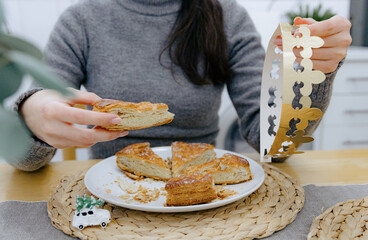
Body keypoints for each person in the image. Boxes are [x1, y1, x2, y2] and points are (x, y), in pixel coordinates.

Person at [11, 0, 351, 171]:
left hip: (202, 191)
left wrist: (314, 75)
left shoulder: (227, 16)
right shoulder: (82, 20)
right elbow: (26, 160)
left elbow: (275, 146)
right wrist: (30, 121)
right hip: (111, 194)